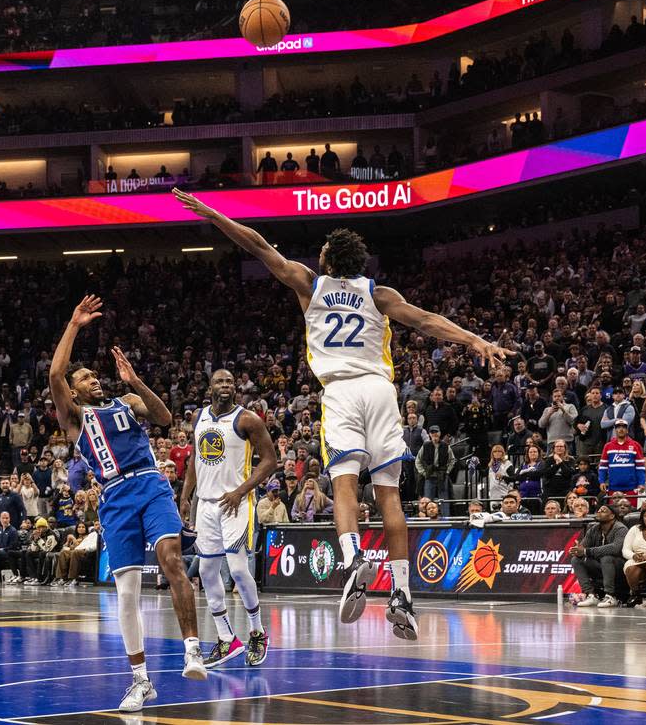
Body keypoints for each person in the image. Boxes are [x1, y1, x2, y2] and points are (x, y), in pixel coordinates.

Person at [174, 188, 510, 641]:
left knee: (345, 484)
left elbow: (257, 244)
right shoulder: (379, 293)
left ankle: (354, 563)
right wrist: (474, 341)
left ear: (329, 257)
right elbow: (426, 319)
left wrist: (213, 215)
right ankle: (402, 595)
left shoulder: (311, 286)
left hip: (341, 393)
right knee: (389, 494)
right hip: (380, 390)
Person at [49, 296, 206, 712]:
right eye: (84, 378)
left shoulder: (126, 403)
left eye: (95, 376)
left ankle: (193, 649)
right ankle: (140, 680)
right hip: (115, 497)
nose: (92, 380)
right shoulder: (74, 417)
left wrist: (136, 381)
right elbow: (54, 373)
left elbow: (166, 418)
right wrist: (74, 323)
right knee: (127, 593)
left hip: (149, 483)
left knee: (171, 560)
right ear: (75, 390)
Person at [179, 369, 276, 669]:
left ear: (236, 388)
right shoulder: (199, 417)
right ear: (210, 387)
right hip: (206, 505)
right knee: (207, 572)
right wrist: (186, 495)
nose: (226, 386)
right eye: (220, 381)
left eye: (230, 382)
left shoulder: (248, 419)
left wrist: (240, 490)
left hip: (237, 502)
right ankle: (227, 639)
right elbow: (196, 457)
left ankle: (257, 633)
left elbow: (270, 461)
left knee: (236, 568)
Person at [569, 503, 628, 608]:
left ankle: (610, 596)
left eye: (603, 510)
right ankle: (591, 595)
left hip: (620, 567)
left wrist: (587, 551)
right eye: (599, 510)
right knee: (576, 560)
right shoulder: (594, 529)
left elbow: (615, 548)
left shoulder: (620, 528)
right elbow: (583, 548)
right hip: (601, 566)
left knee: (606, 557)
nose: (599, 512)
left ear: (612, 516)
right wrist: (577, 550)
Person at [598, 419, 645, 505]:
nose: (621, 429)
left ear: (627, 430)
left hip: (632, 488)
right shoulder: (608, 446)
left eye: (623, 427)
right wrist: (602, 481)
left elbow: (640, 468)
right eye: (618, 427)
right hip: (613, 488)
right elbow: (603, 467)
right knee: (615, 512)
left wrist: (641, 483)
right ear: (615, 430)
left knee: (631, 513)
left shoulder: (635, 445)